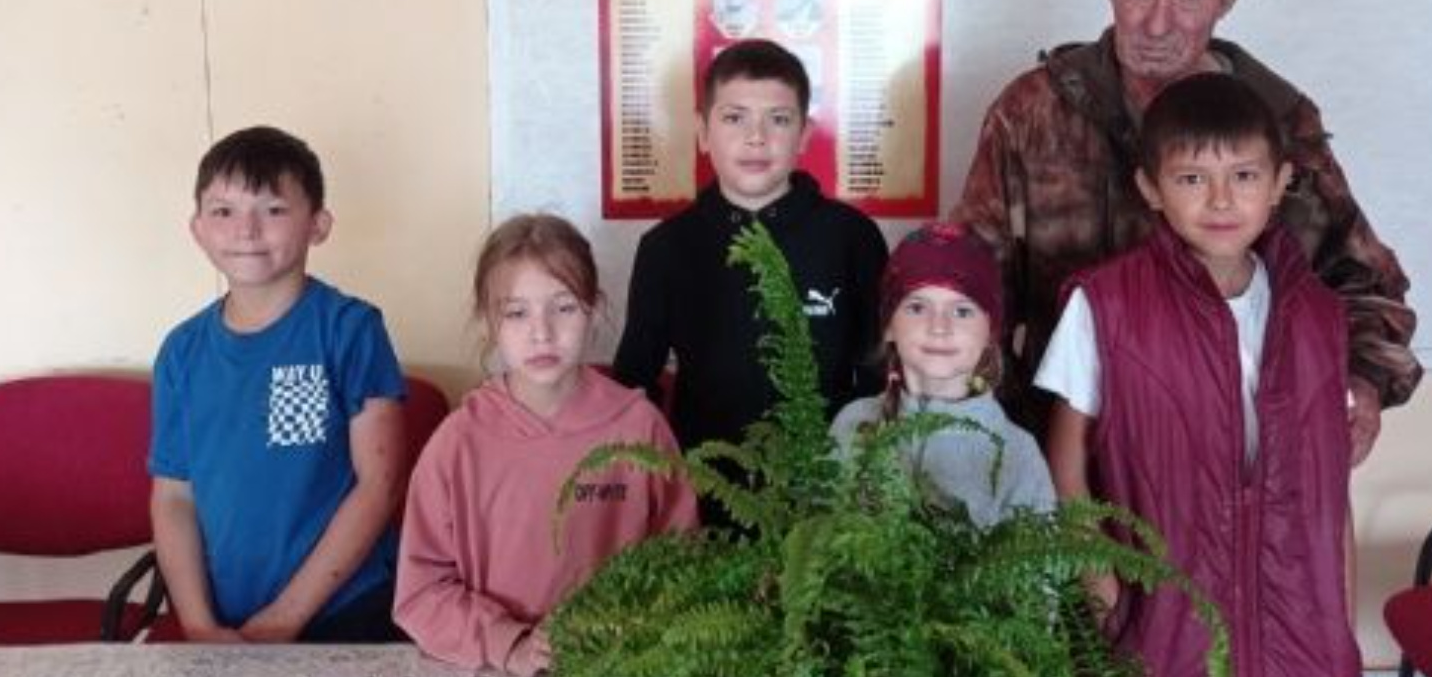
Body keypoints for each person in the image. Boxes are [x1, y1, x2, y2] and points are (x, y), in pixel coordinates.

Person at [950, 0, 1419, 462]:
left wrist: (1363, 381)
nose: (1156, 24)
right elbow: (965, 282)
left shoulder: (1278, 120)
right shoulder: (1033, 111)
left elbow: (1364, 284)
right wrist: (987, 437)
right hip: (1061, 452)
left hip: (1232, 459)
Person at [1038, 74, 1359, 677]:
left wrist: (1338, 621)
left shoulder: (1319, 315)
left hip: (1301, 640)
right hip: (1164, 635)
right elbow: (1066, 462)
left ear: (1280, 183)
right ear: (1151, 188)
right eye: (1192, 179)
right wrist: (1106, 596)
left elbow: (1330, 488)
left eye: (1244, 176)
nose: (1221, 201)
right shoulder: (1107, 304)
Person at [394, 215, 697, 676]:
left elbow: (687, 567)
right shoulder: (457, 443)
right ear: (489, 321)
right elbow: (420, 593)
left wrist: (632, 626)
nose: (542, 332)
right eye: (516, 313)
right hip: (496, 667)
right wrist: (509, 642)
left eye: (564, 308)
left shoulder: (641, 428)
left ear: (594, 309)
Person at [150, 126, 407, 642]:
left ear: (318, 225)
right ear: (197, 229)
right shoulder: (181, 350)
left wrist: (285, 618)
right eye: (223, 211)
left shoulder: (350, 329)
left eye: (273, 209)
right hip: (224, 622)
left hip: (345, 610)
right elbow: (174, 496)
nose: (246, 230)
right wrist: (198, 623)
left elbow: (379, 484)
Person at [615, 39, 888, 461]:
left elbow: (879, 374)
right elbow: (634, 385)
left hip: (828, 486)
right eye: (734, 118)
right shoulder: (665, 247)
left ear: (804, 134)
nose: (756, 137)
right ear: (703, 133)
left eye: (778, 119)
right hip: (705, 485)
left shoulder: (853, 237)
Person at [830, 223, 1054, 527]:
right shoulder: (852, 423)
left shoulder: (1018, 453)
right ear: (889, 326)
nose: (939, 327)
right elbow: (813, 540)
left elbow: (1042, 555)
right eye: (917, 307)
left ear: (990, 332)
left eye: (962, 311)